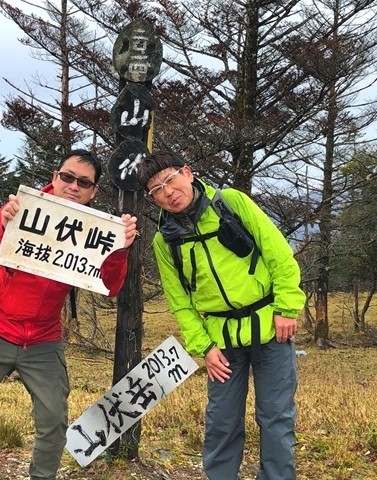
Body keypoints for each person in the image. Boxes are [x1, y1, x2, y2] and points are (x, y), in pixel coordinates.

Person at [0, 149, 138, 480]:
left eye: (83, 182)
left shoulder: (97, 231)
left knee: (53, 421)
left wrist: (120, 249)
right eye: (67, 177)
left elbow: (109, 286)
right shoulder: (21, 208)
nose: (73, 186)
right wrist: (5, 226)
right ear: (54, 177)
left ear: (93, 191)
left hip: (43, 339)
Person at [137, 150, 305, 480]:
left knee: (275, 416)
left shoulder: (230, 203)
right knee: (222, 419)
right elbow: (180, 302)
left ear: (187, 172)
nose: (168, 192)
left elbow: (278, 253)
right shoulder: (164, 240)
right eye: (156, 190)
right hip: (221, 342)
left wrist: (286, 308)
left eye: (170, 180)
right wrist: (204, 347)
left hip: (271, 327)